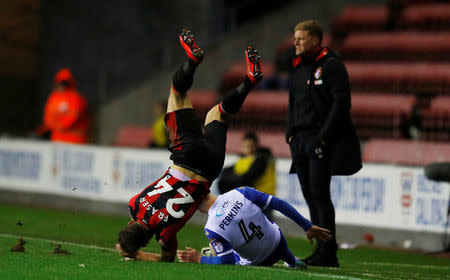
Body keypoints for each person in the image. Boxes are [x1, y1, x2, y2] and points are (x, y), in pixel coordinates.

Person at [115, 29, 263, 262]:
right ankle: (193, 62)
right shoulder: (135, 203)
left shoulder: (166, 234)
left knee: (218, 114)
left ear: (145, 241)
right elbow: (137, 220)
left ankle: (249, 81)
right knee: (178, 90)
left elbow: (167, 259)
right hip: (186, 156)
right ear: (130, 222)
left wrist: (138, 254)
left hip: (211, 168)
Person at [285, 20, 362, 267]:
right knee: (310, 195)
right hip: (299, 140)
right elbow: (293, 101)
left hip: (319, 140)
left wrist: (323, 137)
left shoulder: (332, 66)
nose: (295, 42)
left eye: (301, 38)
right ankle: (323, 249)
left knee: (319, 195)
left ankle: (328, 252)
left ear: (316, 40)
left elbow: (342, 104)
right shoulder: (298, 66)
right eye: (295, 38)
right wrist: (290, 132)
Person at [176, 187, 331, 268]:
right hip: (279, 242)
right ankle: (290, 259)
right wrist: (307, 226)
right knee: (266, 224)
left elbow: (227, 261)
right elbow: (279, 204)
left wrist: (198, 259)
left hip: (260, 260)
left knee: (217, 248)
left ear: (195, 207)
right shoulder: (241, 192)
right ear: (208, 190)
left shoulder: (211, 227)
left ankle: (212, 251)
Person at [37, 68, 89, 144]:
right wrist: (51, 126)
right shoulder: (54, 97)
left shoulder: (76, 98)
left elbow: (73, 117)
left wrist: (58, 125)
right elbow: (48, 116)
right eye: (59, 83)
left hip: (74, 141)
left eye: (64, 83)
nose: (61, 86)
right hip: (56, 139)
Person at [218, 131, 275, 197]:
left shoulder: (262, 160)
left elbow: (248, 178)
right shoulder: (242, 160)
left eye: (250, 146)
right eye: (245, 146)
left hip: (261, 198)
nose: (247, 149)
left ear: (256, 146)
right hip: (249, 197)